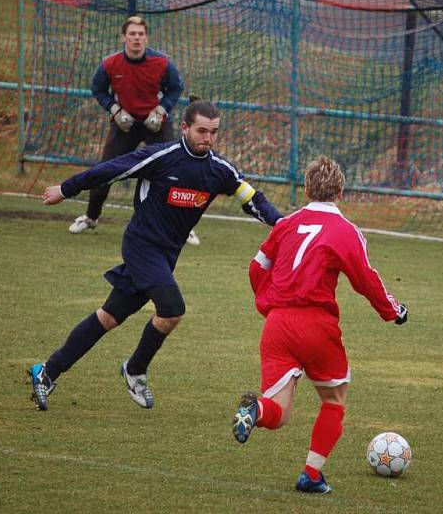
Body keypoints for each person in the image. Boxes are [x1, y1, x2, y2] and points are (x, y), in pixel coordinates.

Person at [28, 98, 282, 411]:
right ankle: (135, 369)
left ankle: (47, 371)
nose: (208, 138)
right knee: (172, 309)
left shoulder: (220, 171)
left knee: (108, 317)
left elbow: (252, 198)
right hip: (141, 246)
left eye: (214, 132)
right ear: (186, 128)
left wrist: (283, 224)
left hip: (166, 256)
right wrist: (66, 189)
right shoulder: (161, 156)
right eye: (202, 130)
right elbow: (111, 169)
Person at [231, 156, 408, 494]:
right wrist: (394, 310)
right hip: (316, 324)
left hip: (278, 324)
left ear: (307, 188)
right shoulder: (345, 231)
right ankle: (311, 475)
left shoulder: (285, 224)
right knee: (334, 400)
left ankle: (256, 409)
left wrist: (268, 303)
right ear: (340, 190)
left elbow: (257, 266)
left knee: (278, 413)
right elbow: (366, 279)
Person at [69, 14, 200, 246]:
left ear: (146, 38)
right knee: (104, 171)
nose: (136, 39)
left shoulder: (162, 63)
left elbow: (176, 87)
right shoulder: (110, 64)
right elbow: (98, 89)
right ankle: (90, 217)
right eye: (132, 34)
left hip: (155, 124)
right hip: (125, 124)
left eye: (141, 34)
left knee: (175, 171)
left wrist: (161, 110)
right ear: (124, 37)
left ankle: (184, 227)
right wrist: (115, 109)